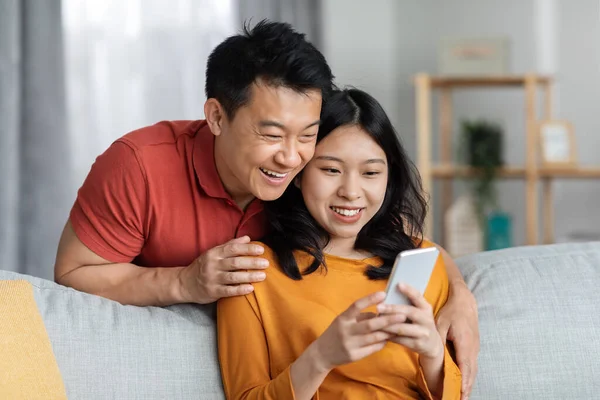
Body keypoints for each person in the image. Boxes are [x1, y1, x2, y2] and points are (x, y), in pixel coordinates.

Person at [53, 20, 478, 398]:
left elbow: (392, 230)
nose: (291, 158)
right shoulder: (140, 166)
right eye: (271, 135)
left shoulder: (311, 187)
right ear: (217, 117)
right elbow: (73, 275)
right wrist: (183, 283)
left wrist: (460, 294)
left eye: (308, 135)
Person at [218, 88, 462, 399]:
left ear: (389, 178)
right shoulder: (250, 273)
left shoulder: (420, 262)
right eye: (331, 170)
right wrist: (320, 358)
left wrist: (433, 356)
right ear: (297, 173)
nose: (351, 191)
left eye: (371, 172)